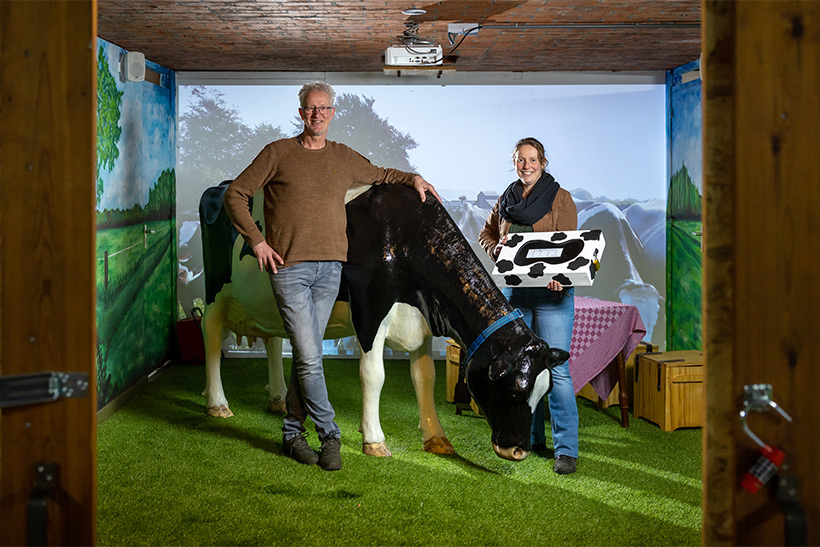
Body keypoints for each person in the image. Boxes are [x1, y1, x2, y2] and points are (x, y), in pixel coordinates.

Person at [223, 81, 440, 471]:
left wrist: (415, 179)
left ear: (333, 113)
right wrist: (257, 242)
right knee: (310, 358)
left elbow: (381, 173)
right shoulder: (278, 152)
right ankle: (330, 435)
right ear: (300, 111)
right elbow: (235, 194)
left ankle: (292, 433)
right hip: (288, 269)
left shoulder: (343, 156)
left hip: (331, 270)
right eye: (310, 108)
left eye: (324, 108)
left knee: (305, 359)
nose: (317, 114)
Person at [478, 137, 579, 475]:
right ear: (514, 162)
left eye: (532, 159)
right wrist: (498, 250)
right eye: (520, 159)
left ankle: (566, 450)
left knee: (558, 372)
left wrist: (561, 275)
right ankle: (532, 439)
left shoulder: (560, 198)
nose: (526, 165)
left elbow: (567, 246)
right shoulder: (505, 199)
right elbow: (485, 236)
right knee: (524, 369)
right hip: (517, 297)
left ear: (543, 162)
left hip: (552, 296)